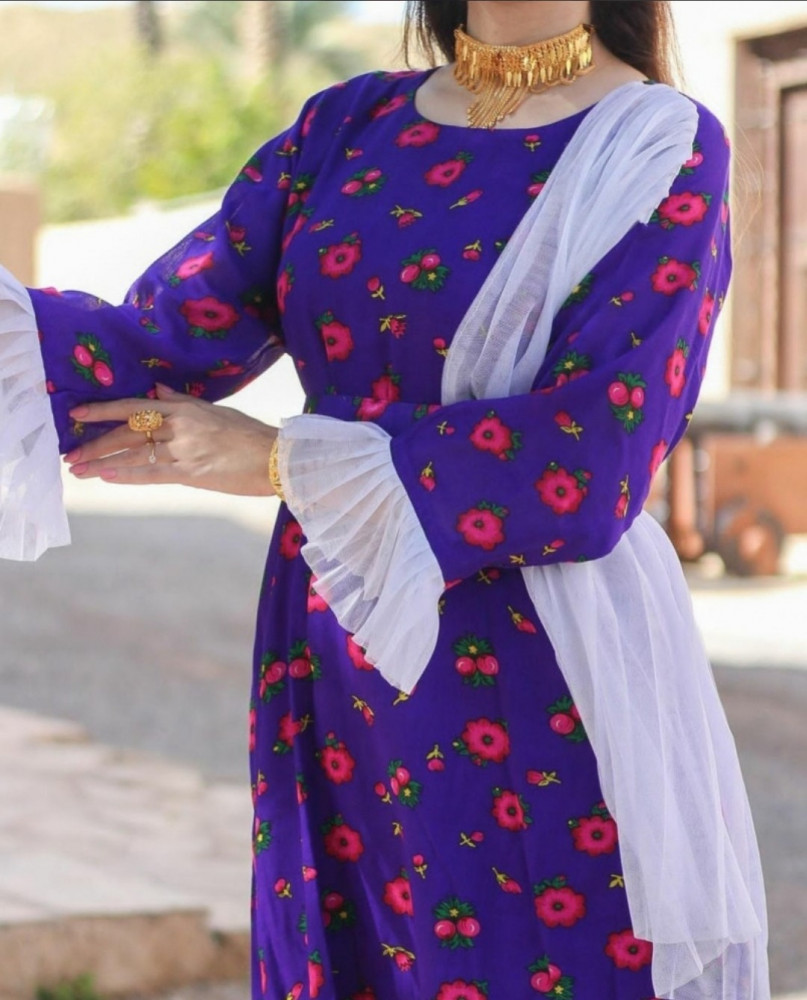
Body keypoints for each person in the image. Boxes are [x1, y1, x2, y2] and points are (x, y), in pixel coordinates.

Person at [0, 1, 770, 998]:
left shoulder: (657, 143)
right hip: (332, 646)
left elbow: (592, 457)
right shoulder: (347, 127)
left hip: (537, 661)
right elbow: (155, 339)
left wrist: (282, 461)